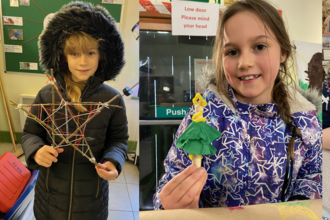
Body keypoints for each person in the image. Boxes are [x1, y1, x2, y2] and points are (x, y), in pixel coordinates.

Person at [153, 0, 322, 210]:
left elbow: (312, 179)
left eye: (260, 46)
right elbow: (171, 177)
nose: (244, 63)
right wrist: (169, 206)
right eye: (232, 52)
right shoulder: (203, 115)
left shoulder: (305, 120)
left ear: (283, 52)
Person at [21, 2, 128, 219]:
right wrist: (36, 150)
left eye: (90, 53)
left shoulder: (113, 100)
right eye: (74, 54)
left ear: (102, 56)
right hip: (49, 199)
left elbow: (119, 140)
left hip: (91, 202)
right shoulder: (46, 95)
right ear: (63, 57)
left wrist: (113, 161)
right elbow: (30, 133)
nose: (83, 61)